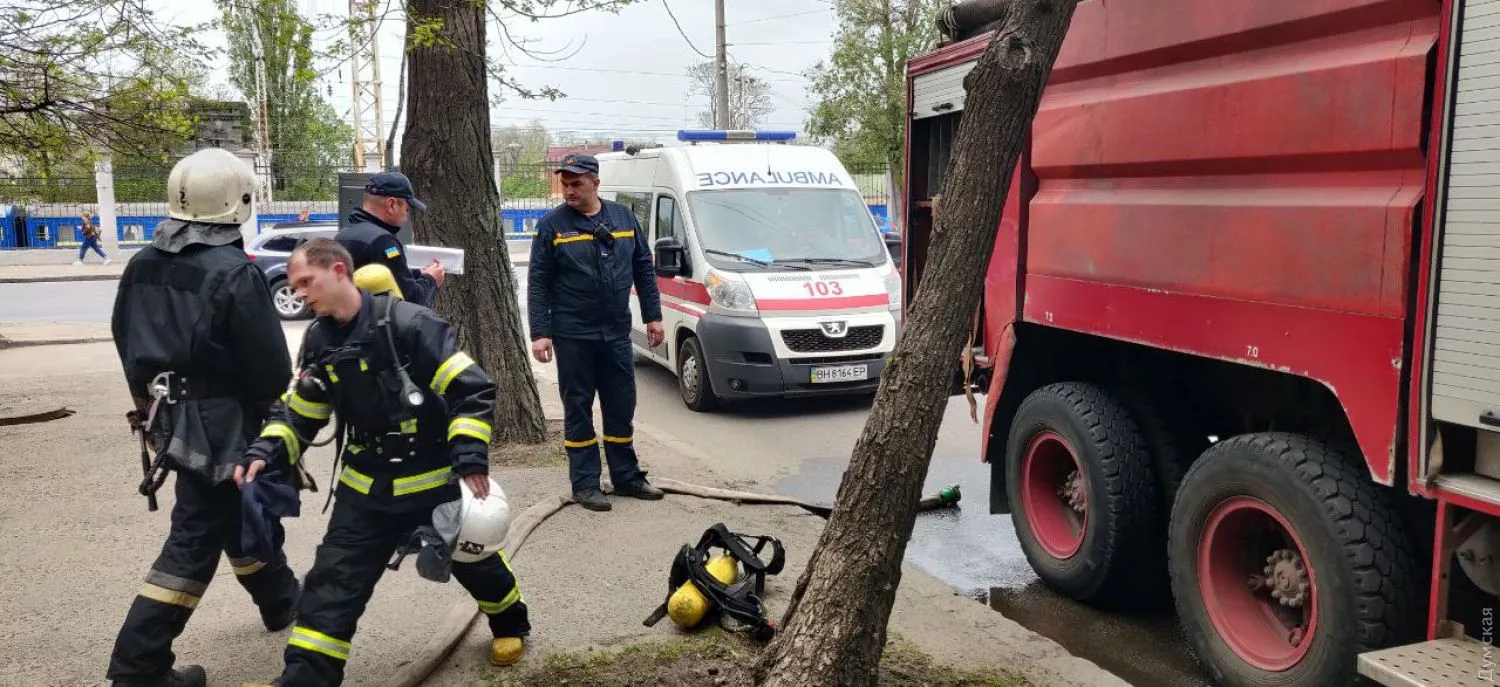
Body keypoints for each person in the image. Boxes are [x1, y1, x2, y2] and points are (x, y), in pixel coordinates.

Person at [238, 238, 530, 686]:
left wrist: (471, 458)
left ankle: (510, 622)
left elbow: (470, 390)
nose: (298, 293)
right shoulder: (318, 338)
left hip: (432, 478)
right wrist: (266, 451)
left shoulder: (413, 326)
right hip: (366, 488)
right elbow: (304, 409)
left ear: (338, 271)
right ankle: (305, 679)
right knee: (332, 584)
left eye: (305, 282)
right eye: (294, 286)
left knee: (473, 556)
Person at [105, 148, 300, 687]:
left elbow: (125, 339)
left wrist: (148, 408)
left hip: (169, 418)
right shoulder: (235, 272)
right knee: (196, 536)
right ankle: (138, 668)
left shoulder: (141, 262)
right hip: (223, 424)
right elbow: (269, 369)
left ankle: (281, 601)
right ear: (238, 202)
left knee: (237, 513)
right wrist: (278, 427)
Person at [526, 153, 665, 512]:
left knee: (621, 404)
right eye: (565, 184)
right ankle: (585, 483)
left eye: (576, 183)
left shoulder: (623, 219)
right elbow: (538, 281)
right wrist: (540, 332)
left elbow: (643, 271)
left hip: (616, 333)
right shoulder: (552, 226)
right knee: (578, 408)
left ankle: (626, 476)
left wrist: (653, 316)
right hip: (573, 335)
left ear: (595, 183)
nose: (569, 190)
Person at [334, 171, 444, 308]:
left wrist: (417, 273)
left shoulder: (343, 236)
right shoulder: (383, 242)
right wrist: (431, 279)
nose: (406, 216)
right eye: (407, 209)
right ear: (391, 205)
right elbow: (411, 300)